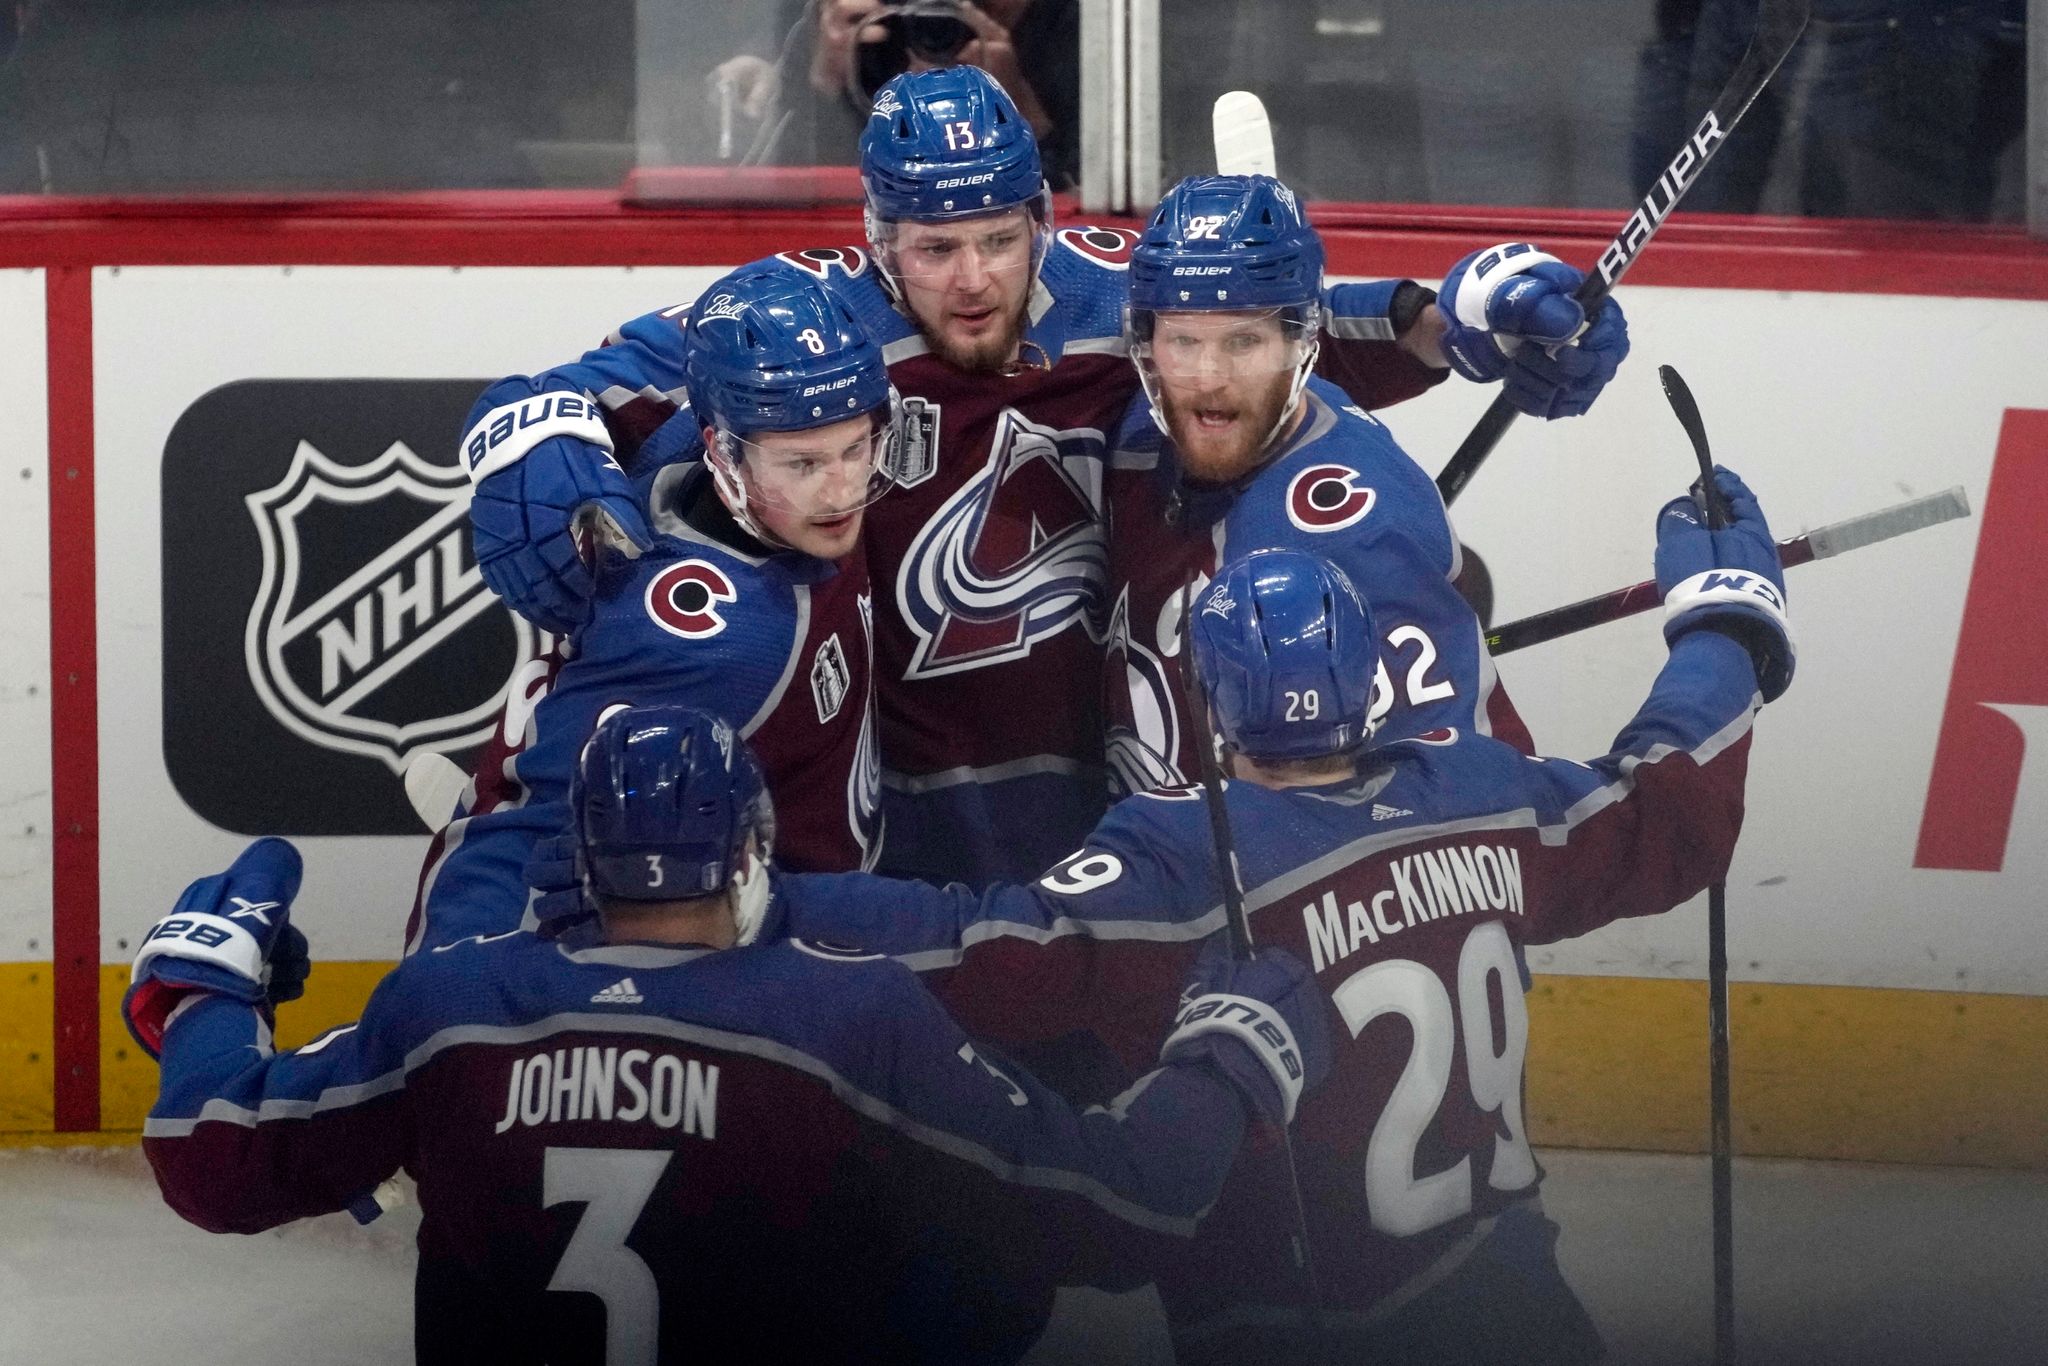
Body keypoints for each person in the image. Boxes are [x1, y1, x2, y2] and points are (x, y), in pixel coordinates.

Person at [474, 65, 1632, 897]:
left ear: (1041, 216)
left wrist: (1455, 318)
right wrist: (536, 447)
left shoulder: (1106, 290)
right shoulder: (809, 321)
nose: (972, 279)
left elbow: (1277, 327)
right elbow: (566, 392)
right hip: (889, 794)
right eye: (933, 248)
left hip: (1091, 781)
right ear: (876, 237)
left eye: (998, 237)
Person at [773, 478, 1794, 1360]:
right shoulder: (1483, 790)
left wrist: (755, 903)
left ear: (1205, 701)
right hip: (1518, 1309)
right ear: (1369, 677)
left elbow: (975, 943)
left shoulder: (1182, 859)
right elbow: (1662, 801)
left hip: (1293, 1330)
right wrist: (1725, 626)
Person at [126, 704, 1333, 1364]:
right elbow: (1126, 1208)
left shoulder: (447, 1006)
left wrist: (205, 990)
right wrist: (1225, 1056)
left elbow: (209, 1156)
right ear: (751, 851)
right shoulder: (846, 1014)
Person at [407, 259, 892, 954]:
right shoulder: (706, 641)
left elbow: (692, 337)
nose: (842, 491)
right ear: (722, 453)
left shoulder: (703, 431)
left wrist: (530, 419)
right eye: (804, 464)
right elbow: (519, 844)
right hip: (742, 958)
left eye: (856, 450)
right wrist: (447, 989)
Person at [1102, 174, 1629, 794]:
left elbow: (1459, 814)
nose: (1210, 377)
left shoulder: (1356, 540)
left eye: (1244, 340)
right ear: (1147, 343)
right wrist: (1428, 321)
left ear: (1301, 343)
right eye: (1184, 341)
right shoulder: (1145, 431)